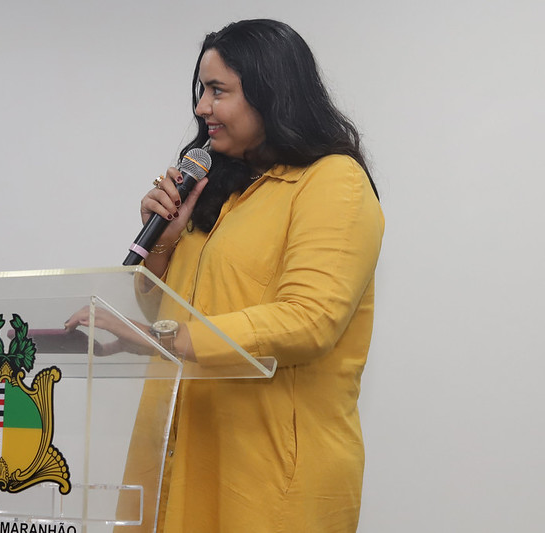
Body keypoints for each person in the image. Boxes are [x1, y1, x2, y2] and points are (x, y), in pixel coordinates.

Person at [68, 18, 383, 532]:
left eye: (219, 91)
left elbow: (310, 320)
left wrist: (160, 338)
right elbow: (169, 309)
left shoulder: (333, 182)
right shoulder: (220, 185)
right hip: (180, 448)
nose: (201, 108)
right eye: (201, 90)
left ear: (270, 93)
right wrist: (165, 240)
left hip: (264, 471)